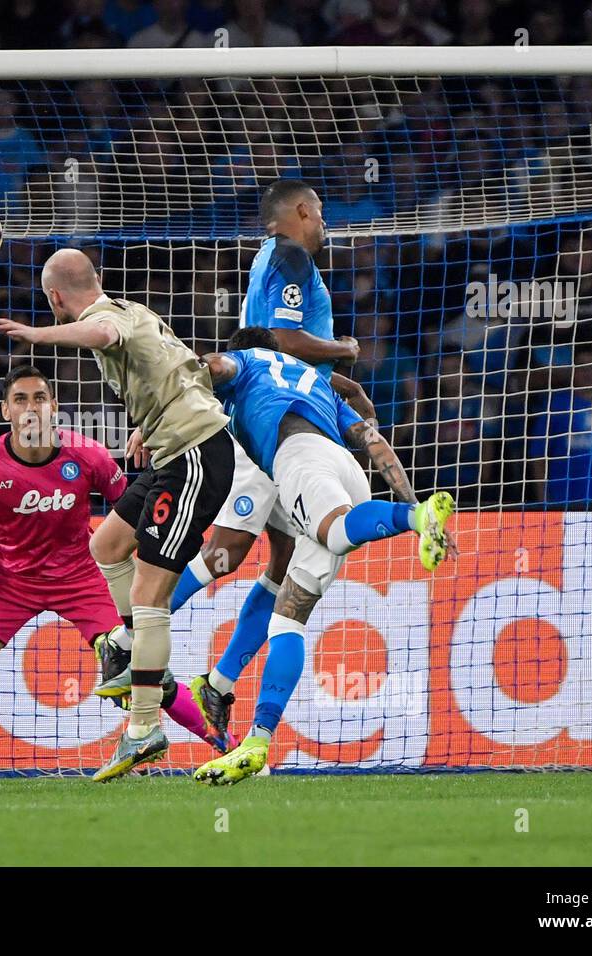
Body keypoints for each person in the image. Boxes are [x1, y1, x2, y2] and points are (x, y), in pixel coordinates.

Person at [0, 366, 223, 782]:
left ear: (55, 406)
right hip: (9, 585)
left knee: (143, 671)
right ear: (5, 410)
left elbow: (134, 512)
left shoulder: (88, 455)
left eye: (40, 398)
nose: (31, 407)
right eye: (21, 399)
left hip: (83, 580)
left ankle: (229, 748)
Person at [0, 249, 236, 781]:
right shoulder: (135, 308)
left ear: (55, 297)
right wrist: (151, 421)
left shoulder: (102, 321)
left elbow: (100, 336)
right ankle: (128, 648)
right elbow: (183, 366)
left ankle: (144, 728)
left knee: (150, 596)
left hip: (194, 455)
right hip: (171, 447)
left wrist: (36, 336)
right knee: (104, 546)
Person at [192, 326, 455, 785]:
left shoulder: (246, 363)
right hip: (348, 469)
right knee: (287, 619)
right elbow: (373, 440)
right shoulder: (313, 380)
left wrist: (176, 382)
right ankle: (256, 741)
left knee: (333, 531)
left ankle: (412, 517)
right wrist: (411, 494)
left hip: (301, 460)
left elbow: (214, 366)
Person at [171, 179, 363, 745]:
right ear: (302, 211)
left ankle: (220, 682)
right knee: (228, 549)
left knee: (280, 564)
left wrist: (339, 386)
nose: (325, 223)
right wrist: (345, 349)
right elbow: (285, 339)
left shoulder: (265, 259)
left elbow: (280, 353)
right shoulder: (292, 255)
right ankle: (130, 634)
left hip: (293, 411)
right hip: (276, 428)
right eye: (322, 212)